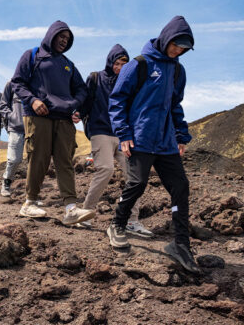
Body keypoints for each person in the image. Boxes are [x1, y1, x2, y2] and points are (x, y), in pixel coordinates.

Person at [107, 16, 200, 274]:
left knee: (180, 187)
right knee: (137, 184)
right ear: (165, 38)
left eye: (183, 48)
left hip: (167, 141)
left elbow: (175, 105)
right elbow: (117, 100)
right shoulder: (139, 64)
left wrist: (181, 135)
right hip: (140, 137)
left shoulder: (178, 70)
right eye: (175, 45)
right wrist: (124, 133)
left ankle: (180, 243)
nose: (178, 51)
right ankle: (117, 224)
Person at [11, 20, 95, 225]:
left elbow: (82, 89)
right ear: (51, 35)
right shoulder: (32, 55)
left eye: (67, 39)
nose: (64, 42)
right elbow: (17, 82)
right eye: (61, 37)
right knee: (38, 159)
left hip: (64, 120)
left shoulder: (68, 64)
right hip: (38, 116)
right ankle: (29, 202)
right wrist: (33, 100)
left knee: (65, 162)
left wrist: (74, 106)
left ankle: (71, 209)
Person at [78, 44, 153, 237]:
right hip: (100, 131)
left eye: (124, 64)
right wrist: (78, 113)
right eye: (117, 63)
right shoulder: (97, 78)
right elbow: (86, 101)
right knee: (105, 169)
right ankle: (85, 214)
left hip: (123, 135)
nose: (120, 67)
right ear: (110, 62)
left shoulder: (129, 83)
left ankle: (132, 221)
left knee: (133, 177)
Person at [0, 80, 25, 196]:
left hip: (35, 128)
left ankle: (32, 192)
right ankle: (6, 182)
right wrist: (12, 116)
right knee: (14, 159)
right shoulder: (11, 84)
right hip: (16, 128)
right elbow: (3, 105)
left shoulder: (37, 82)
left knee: (36, 161)